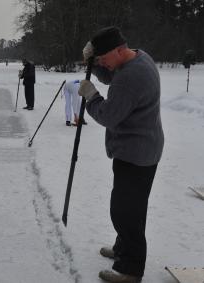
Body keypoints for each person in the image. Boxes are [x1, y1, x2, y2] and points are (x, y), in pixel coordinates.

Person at [78, 26, 164, 283]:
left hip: (136, 153)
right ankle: (122, 248)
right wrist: (92, 62)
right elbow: (111, 75)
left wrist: (92, 96)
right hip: (141, 148)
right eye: (99, 60)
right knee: (128, 207)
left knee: (127, 213)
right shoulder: (137, 57)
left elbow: (109, 116)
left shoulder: (130, 78)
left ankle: (130, 270)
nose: (103, 65)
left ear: (118, 50)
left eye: (103, 59)